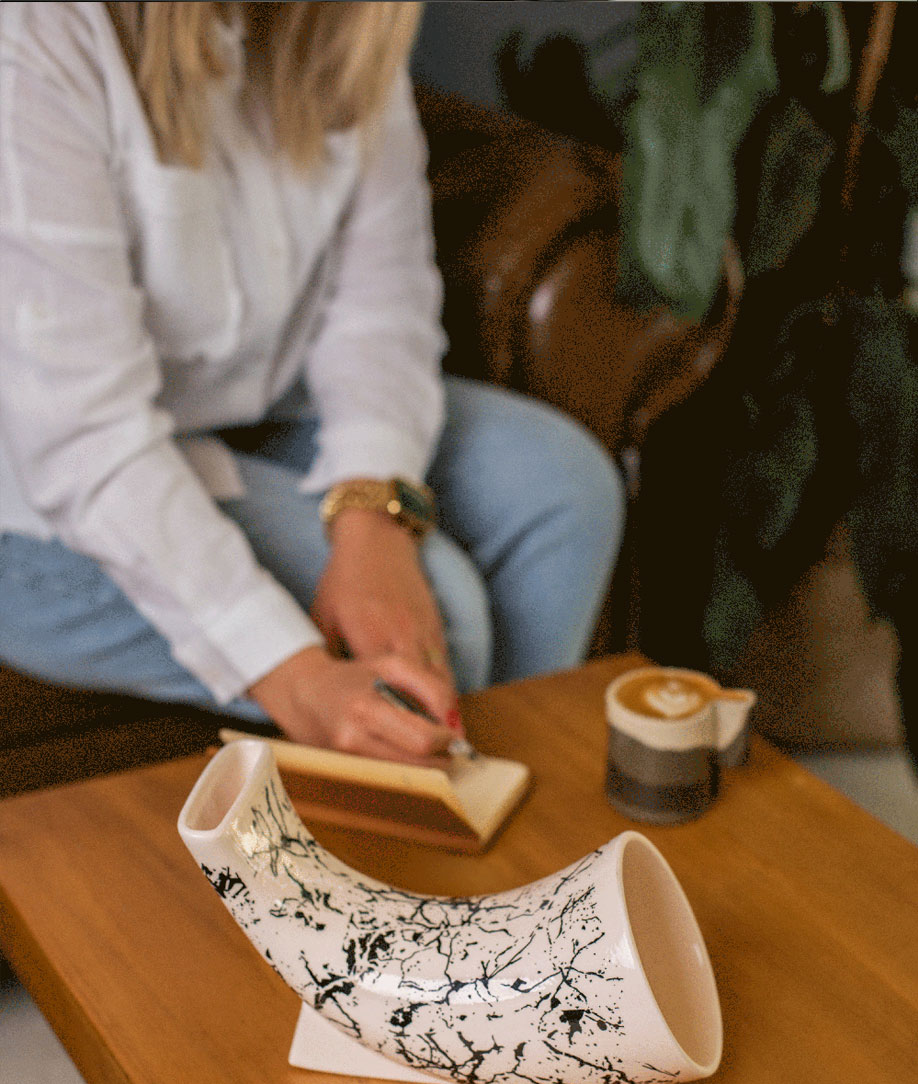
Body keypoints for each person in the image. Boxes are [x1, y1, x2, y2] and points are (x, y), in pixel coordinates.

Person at [0, 1, 624, 764]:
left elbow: (379, 310)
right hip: (44, 489)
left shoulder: (343, 26)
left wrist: (374, 516)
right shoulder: (35, 40)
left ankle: (513, 808)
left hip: (237, 407)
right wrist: (299, 680)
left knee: (566, 490)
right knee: (437, 625)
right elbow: (86, 440)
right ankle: (435, 817)